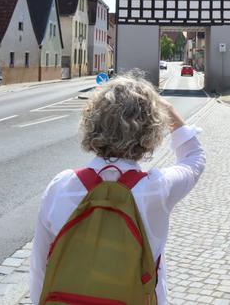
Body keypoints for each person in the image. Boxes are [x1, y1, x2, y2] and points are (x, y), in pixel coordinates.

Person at [30, 73, 206, 305]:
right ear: (151, 130)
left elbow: (40, 268)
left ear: (92, 122)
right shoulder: (156, 189)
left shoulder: (61, 186)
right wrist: (170, 111)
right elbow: (194, 158)